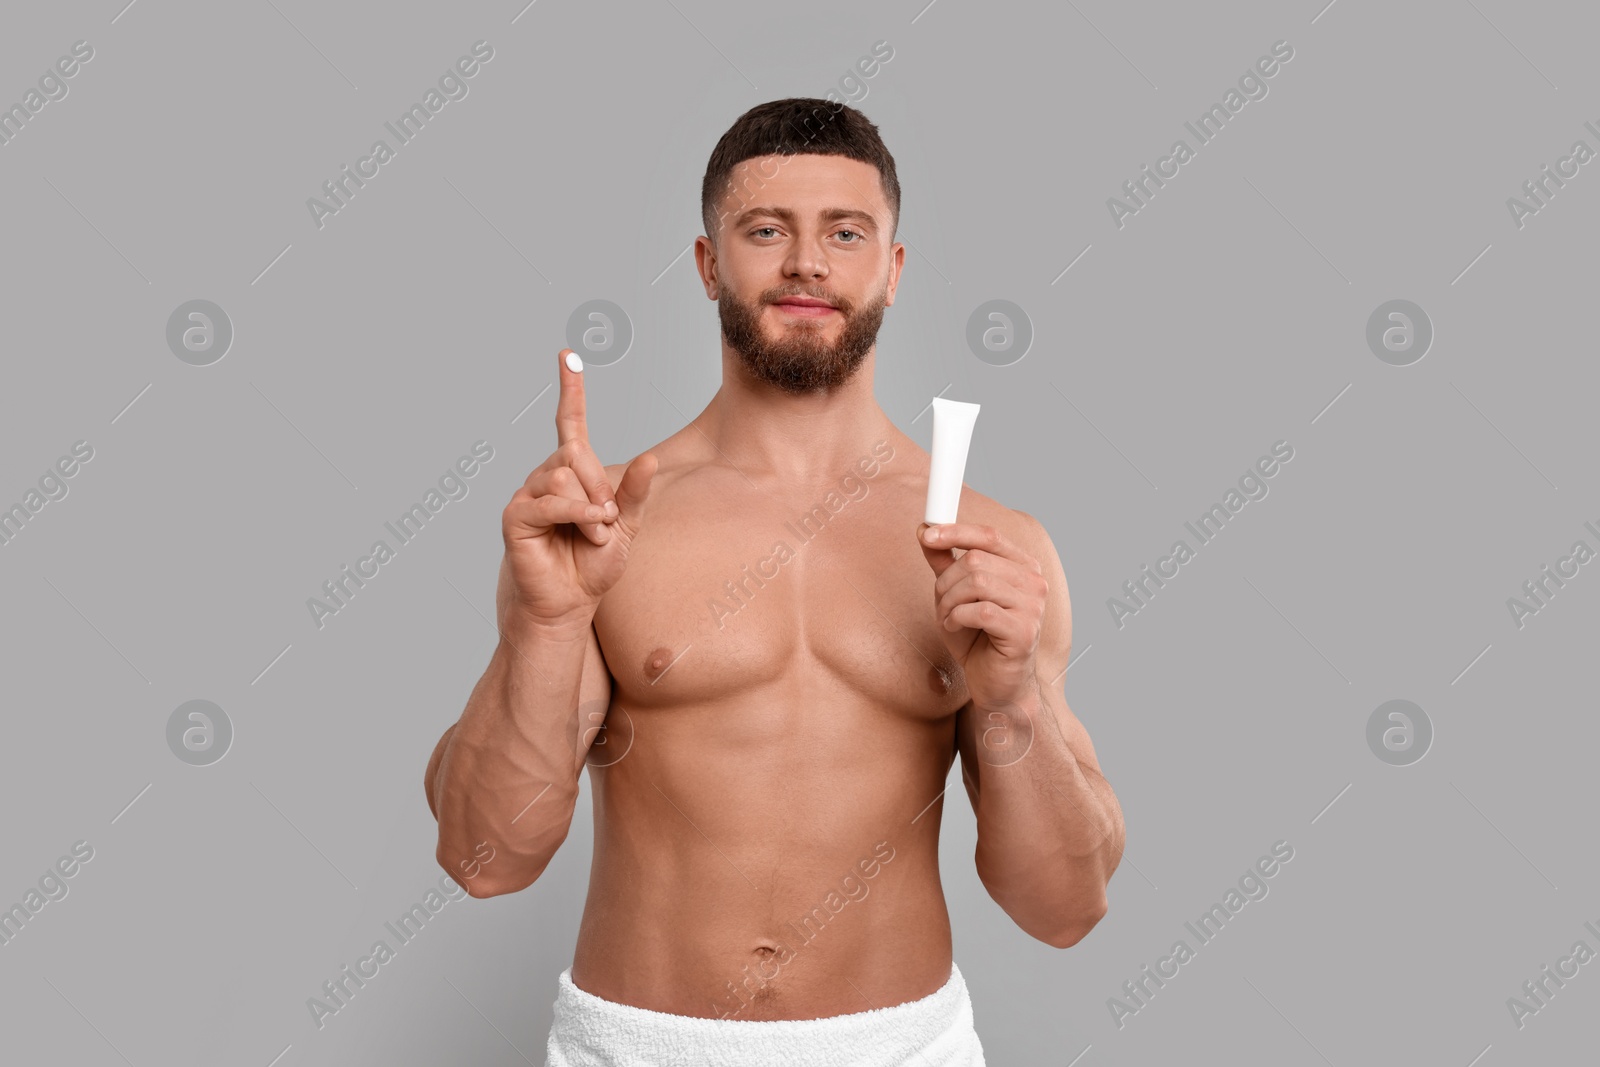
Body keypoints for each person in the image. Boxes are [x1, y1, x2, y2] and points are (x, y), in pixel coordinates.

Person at [424, 97, 1124, 1066]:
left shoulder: (993, 545)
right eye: (766, 230)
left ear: (893, 266)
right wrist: (545, 623)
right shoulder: (608, 527)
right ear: (710, 264)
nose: (807, 262)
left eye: (845, 231)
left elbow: (1064, 905)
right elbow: (483, 858)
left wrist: (1008, 699)